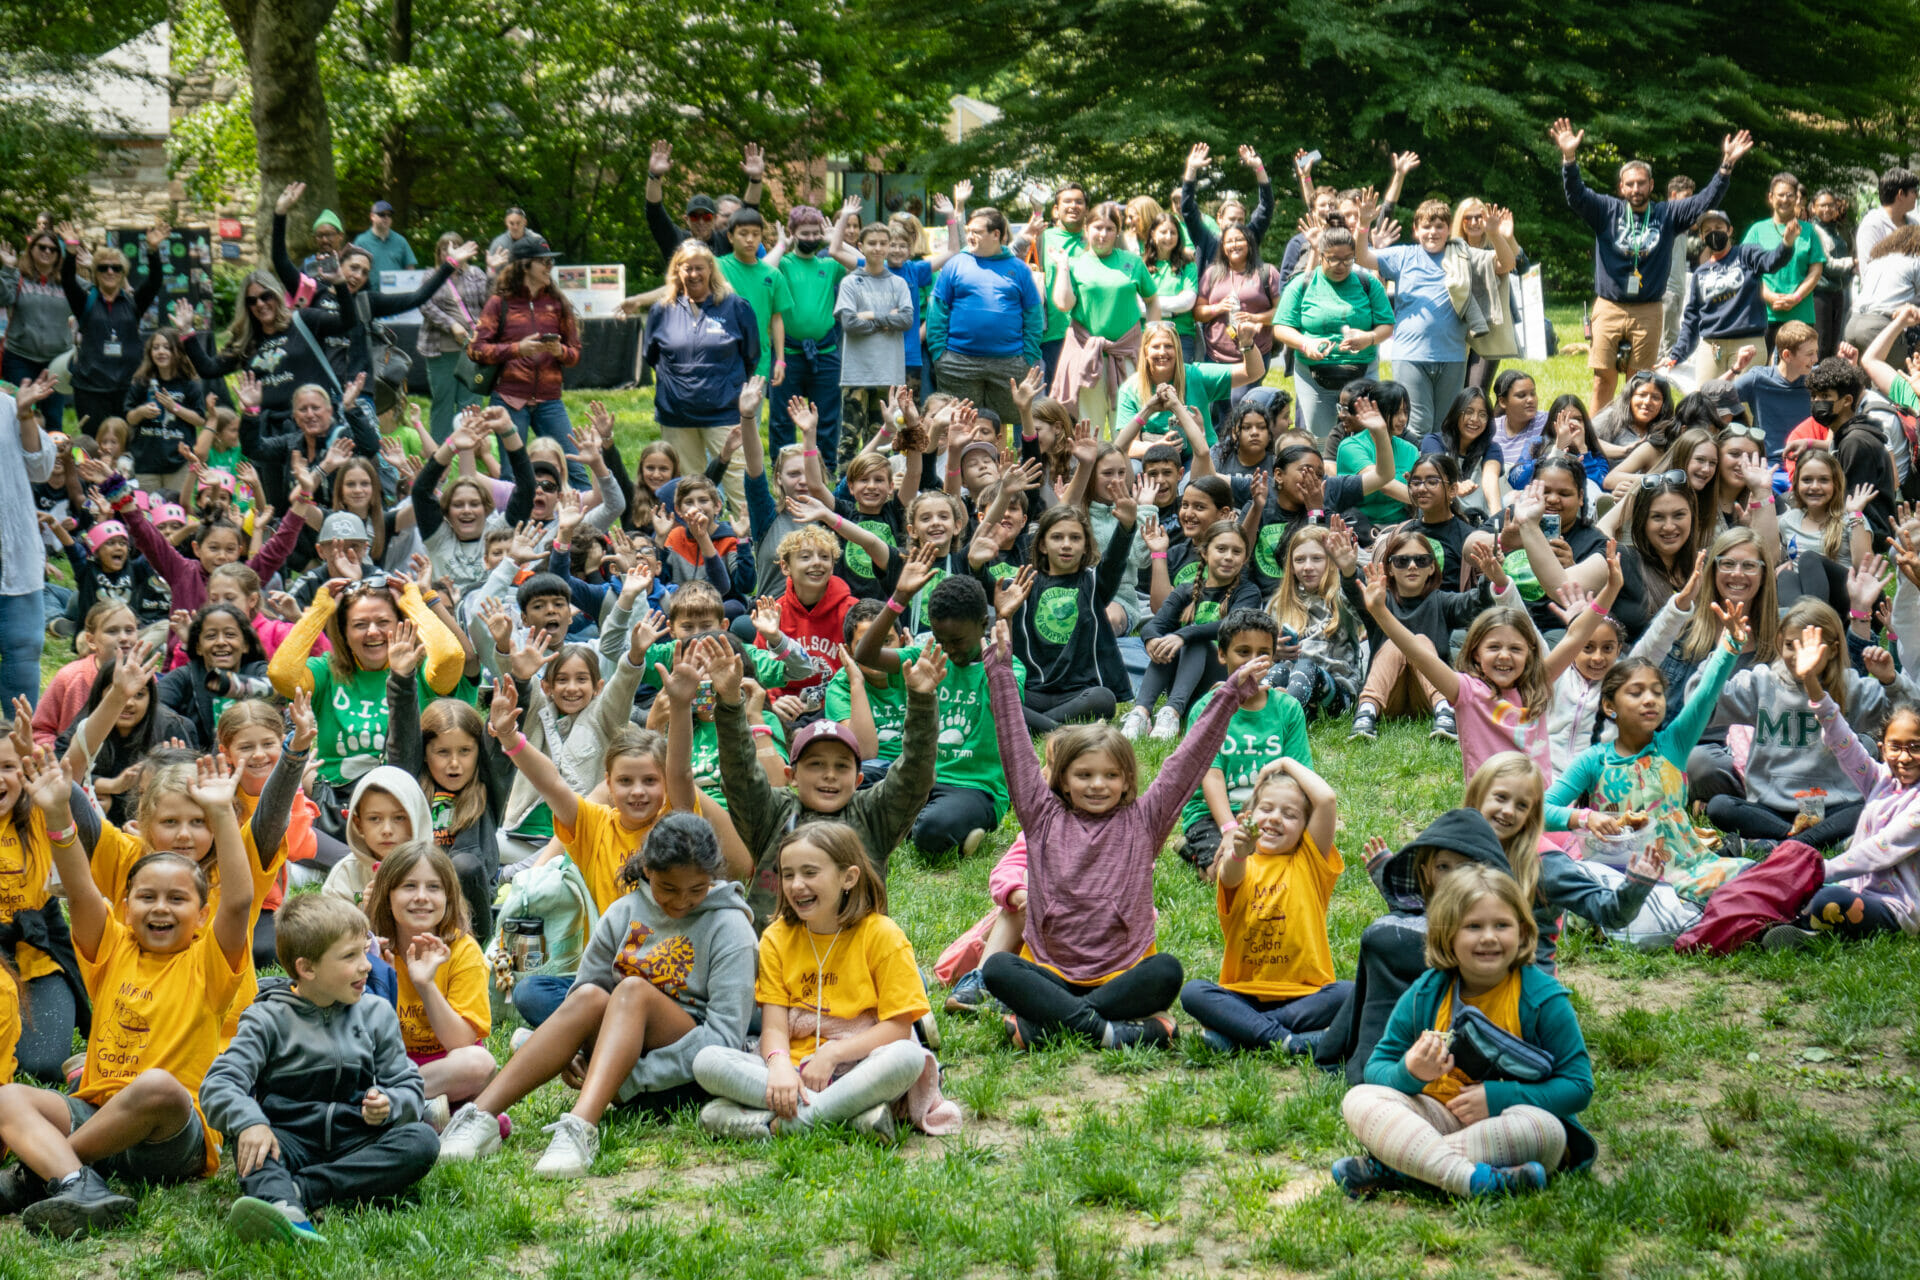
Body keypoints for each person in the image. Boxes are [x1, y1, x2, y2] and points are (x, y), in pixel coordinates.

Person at [0, 750, 253, 1238]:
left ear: (202, 914)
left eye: (178, 899)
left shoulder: (210, 961)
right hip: (96, 1112)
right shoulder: (111, 946)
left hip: (170, 1134)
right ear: (126, 904)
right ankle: (79, 1183)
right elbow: (78, 889)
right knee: (8, 1098)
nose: (161, 908)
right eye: (147, 897)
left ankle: (44, 1174)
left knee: (159, 1085)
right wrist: (56, 813)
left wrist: (222, 812)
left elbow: (240, 900)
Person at [980, 619, 1267, 1049]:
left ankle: (1049, 1027)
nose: (1098, 785)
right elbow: (1016, 750)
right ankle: (1111, 1031)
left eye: (1111, 775)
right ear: (1062, 780)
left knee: (1167, 970)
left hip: (1125, 971)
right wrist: (1001, 673)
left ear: (1127, 779)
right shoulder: (1040, 814)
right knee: (998, 970)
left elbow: (1186, 762)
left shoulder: (1145, 820)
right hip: (1051, 970)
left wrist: (1229, 695)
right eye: (1084, 775)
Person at [1332, 865, 1595, 1199]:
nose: (1489, 936)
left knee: (1548, 1132)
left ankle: (1398, 1166)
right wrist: (1409, 1072)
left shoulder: (1542, 998)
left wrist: (1499, 1098)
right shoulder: (1427, 993)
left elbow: (1578, 1086)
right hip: (1435, 1115)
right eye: (1473, 926)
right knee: (1360, 1099)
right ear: (1448, 936)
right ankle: (1473, 1181)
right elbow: (1377, 1068)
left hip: (1506, 1124)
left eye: (1502, 925)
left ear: (1524, 932)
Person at [200, 892, 437, 1245]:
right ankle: (288, 1209)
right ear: (306, 968)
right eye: (350, 956)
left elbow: (408, 1085)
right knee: (254, 1151)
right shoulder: (266, 1018)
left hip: (354, 1137)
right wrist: (251, 1122)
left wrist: (389, 1104)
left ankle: (299, 1193)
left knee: (422, 1141)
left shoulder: (376, 1014)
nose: (367, 965)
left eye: (365, 950)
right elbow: (219, 1084)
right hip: (288, 1140)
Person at [694, 822, 956, 1141]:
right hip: (792, 1071)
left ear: (849, 877)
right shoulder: (776, 938)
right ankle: (849, 1117)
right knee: (707, 1060)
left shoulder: (883, 935)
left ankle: (785, 1123)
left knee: (909, 1057)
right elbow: (774, 1028)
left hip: (860, 1066)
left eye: (810, 872)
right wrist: (779, 1068)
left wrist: (832, 1054)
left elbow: (898, 1028)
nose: (796, 885)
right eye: (788, 874)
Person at [1548, 117, 1753, 409]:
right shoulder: (1606, 210)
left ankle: (1632, 433)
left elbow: (1706, 200)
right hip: (1610, 305)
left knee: (1639, 382)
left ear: (1651, 185)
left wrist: (1726, 165)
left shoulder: (1666, 215)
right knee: (1602, 380)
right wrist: (1569, 158)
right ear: (1621, 188)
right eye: (1629, 184)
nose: (1635, 189)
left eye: (1641, 183)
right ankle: (1595, 442)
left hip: (1649, 309)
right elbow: (1576, 196)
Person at [1181, 759, 1347, 1052]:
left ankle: (1241, 1034)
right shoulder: (1237, 865)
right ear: (1247, 817)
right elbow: (1230, 876)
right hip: (1243, 993)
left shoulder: (1310, 862)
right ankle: (1290, 1041)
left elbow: (1327, 799)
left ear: (1305, 828)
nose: (1275, 818)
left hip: (1306, 994)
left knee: (1350, 993)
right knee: (1193, 993)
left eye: (1290, 814)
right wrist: (1239, 853)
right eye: (1266, 809)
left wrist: (1284, 763)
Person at [1764, 636, 1920, 946]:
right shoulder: (1879, 780)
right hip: (1855, 890)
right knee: (1813, 894)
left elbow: (1879, 849)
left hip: (1895, 909)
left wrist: (1814, 872)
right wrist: (1811, 681)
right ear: (1882, 750)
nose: (1904, 757)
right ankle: (1802, 928)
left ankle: (1807, 928)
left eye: (1915, 748)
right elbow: (1842, 740)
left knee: (1828, 898)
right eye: (1896, 747)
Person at [1354, 194, 1514, 437]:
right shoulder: (1404, 256)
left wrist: (1494, 234)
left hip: (1452, 356)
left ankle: (1440, 473)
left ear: (1449, 229)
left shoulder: (1462, 254)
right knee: (1417, 425)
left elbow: (1506, 264)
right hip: (1411, 356)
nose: (1433, 232)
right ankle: (1416, 473)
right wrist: (1363, 224)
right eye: (1426, 226)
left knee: (1445, 426)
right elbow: (1362, 257)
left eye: (1439, 226)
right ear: (1416, 230)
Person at [1172, 611, 1313, 875]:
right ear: (1222, 654)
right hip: (1212, 814)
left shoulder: (1288, 708)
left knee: (1290, 865)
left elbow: (1299, 775)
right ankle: (1196, 853)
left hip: (1270, 810)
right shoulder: (1206, 709)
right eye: (1243, 652)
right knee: (1225, 873)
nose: (1253, 661)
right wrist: (1229, 829)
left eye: (1263, 653)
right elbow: (1211, 776)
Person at [644, 249, 760, 518]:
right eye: (687, 268)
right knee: (689, 488)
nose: (694, 274)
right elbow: (651, 356)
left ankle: (752, 542)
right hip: (677, 414)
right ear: (677, 271)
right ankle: (698, 545)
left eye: (700, 268)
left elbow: (751, 355)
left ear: (711, 269)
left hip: (725, 411)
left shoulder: (736, 307)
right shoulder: (661, 310)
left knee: (741, 483)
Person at [1125, 526, 1263, 742]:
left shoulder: (1248, 592)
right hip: (1186, 683)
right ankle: (1141, 713)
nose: (1228, 557)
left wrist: (1184, 635)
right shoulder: (1185, 591)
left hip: (1223, 681)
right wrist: (1152, 641)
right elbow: (1154, 625)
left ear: (1245, 558)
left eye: (1236, 552)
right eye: (1221, 549)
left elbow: (1235, 625)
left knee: (1195, 641)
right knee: (1167, 642)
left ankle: (1172, 713)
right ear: (1205, 552)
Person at [468, 236, 585, 486]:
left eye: (550, 262)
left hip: (550, 401)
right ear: (524, 265)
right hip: (509, 400)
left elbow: (575, 353)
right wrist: (516, 349)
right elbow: (475, 349)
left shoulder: (557, 303)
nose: (549, 267)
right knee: (512, 477)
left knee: (576, 470)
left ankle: (587, 525)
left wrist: (559, 351)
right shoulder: (499, 303)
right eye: (543, 262)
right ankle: (511, 526)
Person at [927, 206, 1043, 430]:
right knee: (960, 424)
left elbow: (1033, 314)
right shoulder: (955, 264)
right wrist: (939, 353)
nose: (970, 236)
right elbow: (937, 309)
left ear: (996, 234)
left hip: (1010, 362)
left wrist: (1029, 355)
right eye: (968, 230)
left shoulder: (1019, 268)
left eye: (977, 232)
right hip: (958, 362)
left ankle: (998, 465)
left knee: (1001, 424)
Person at [1275, 228, 1394, 440]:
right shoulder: (1302, 283)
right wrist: (1305, 344)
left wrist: (1368, 338)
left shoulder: (1368, 283)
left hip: (1362, 373)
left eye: (1348, 260)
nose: (1341, 266)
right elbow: (1281, 327)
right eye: (1333, 259)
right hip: (1314, 376)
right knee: (1322, 438)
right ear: (1321, 255)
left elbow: (1387, 325)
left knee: (1367, 438)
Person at [54, 221, 169, 432]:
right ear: (95, 272)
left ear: (123, 273)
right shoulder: (85, 302)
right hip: (91, 388)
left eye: (116, 268)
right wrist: (70, 251)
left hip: (127, 386)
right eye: (103, 267)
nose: (110, 271)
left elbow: (154, 281)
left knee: (127, 445)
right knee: (94, 444)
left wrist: (153, 250)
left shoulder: (133, 303)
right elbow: (68, 280)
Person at [768, 203, 854, 467]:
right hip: (789, 355)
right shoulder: (783, 263)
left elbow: (865, 263)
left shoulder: (829, 264)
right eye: (804, 233)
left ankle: (825, 468)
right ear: (793, 232)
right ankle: (782, 469)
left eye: (815, 233)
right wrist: (781, 244)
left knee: (827, 415)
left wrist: (835, 239)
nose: (811, 238)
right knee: (783, 418)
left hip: (825, 353)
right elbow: (762, 270)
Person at [1664, 210, 1795, 380]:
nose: (1714, 232)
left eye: (1718, 227)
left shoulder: (1746, 254)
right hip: (1711, 346)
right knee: (1705, 401)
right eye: (1708, 230)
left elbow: (1772, 261)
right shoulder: (1700, 273)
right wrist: (1676, 354)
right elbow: (1692, 318)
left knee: (1741, 403)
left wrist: (1786, 243)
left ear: (1729, 230)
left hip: (1747, 342)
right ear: (1702, 237)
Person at [0, 376, 60, 709]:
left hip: (13, 558)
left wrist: (25, 414)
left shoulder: (7, 406)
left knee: (23, 653)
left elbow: (41, 468)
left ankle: (19, 754)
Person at [835, 221, 914, 465]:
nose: (878, 248)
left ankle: (879, 486)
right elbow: (849, 323)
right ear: (861, 246)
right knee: (849, 437)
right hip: (857, 373)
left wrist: (869, 316)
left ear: (889, 246)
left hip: (888, 374)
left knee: (884, 438)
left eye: (883, 243)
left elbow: (907, 320)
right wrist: (887, 319)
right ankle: (844, 486)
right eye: (872, 243)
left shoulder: (898, 283)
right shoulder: (851, 282)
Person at [415, 231, 493, 443]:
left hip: (472, 348)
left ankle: (473, 445)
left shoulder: (476, 274)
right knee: (443, 400)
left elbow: (490, 301)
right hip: (441, 350)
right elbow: (425, 305)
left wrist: (492, 271)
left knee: (471, 401)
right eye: (444, 248)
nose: (450, 251)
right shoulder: (431, 276)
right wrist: (451, 325)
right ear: (439, 253)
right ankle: (441, 450)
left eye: (456, 246)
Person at [642, 140, 767, 261]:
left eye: (706, 217)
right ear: (686, 219)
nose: (701, 221)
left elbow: (748, 213)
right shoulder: (676, 241)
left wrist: (756, 178)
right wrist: (654, 175)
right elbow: (654, 213)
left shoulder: (726, 241)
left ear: (715, 219)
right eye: (695, 217)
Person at [0, 231, 74, 430]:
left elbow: (92, 296)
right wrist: (7, 268)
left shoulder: (66, 281)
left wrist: (88, 265)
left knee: (53, 417)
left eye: (53, 249)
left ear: (59, 254)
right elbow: (3, 298)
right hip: (20, 358)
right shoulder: (18, 277)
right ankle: (18, 460)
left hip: (56, 362)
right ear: (31, 250)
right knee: (21, 414)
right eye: (42, 247)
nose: (47, 251)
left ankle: (54, 460)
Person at [1743, 173, 1825, 352]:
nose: (1785, 200)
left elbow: (1816, 271)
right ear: (1771, 197)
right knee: (1758, 368)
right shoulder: (1757, 230)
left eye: (1790, 195)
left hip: (1800, 313)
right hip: (1763, 313)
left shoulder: (1809, 231)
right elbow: (1746, 270)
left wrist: (1796, 298)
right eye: (1780, 195)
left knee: (1797, 371)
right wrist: (1769, 296)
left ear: (1797, 198)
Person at [121, 331, 207, 490]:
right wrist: (141, 412)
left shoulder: (189, 383)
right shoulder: (142, 381)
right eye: (156, 348)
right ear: (149, 352)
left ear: (177, 352)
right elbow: (129, 418)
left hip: (178, 461)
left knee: (174, 511)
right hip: (146, 462)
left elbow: (200, 419)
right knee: (148, 511)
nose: (161, 352)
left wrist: (174, 407)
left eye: (167, 347)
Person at [1732, 320, 1817, 462]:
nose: (1815, 359)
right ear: (1787, 355)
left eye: (1816, 352)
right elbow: (1714, 395)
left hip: (1807, 464)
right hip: (1769, 464)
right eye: (1810, 354)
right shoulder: (1758, 380)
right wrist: (1736, 369)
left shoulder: (1816, 380)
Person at [1808, 190, 1855, 358]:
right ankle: (1816, 380)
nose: (1827, 209)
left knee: (1835, 343)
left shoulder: (1835, 231)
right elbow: (1825, 264)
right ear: (1813, 208)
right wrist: (1852, 263)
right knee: (1822, 343)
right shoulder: (1813, 231)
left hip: (1837, 291)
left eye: (1830, 205)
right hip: (1820, 293)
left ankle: (1830, 381)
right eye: (1822, 205)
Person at [352, 201, 416, 289]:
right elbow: (354, 268)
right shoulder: (361, 241)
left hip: (397, 295)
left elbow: (410, 268)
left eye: (389, 215)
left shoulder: (400, 241)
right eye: (382, 214)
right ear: (372, 216)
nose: (386, 218)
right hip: (370, 294)